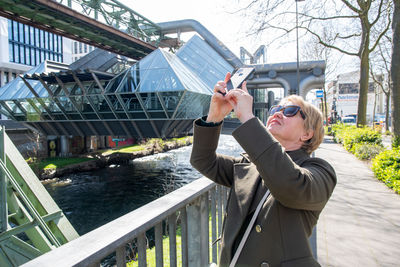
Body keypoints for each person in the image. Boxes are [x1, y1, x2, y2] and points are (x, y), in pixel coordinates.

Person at [190, 73, 337, 267]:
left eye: (290, 111)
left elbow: (289, 185)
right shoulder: (248, 165)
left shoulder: (320, 170)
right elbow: (203, 160)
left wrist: (249, 119)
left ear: (307, 134)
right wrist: (214, 117)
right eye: (276, 108)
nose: (277, 113)